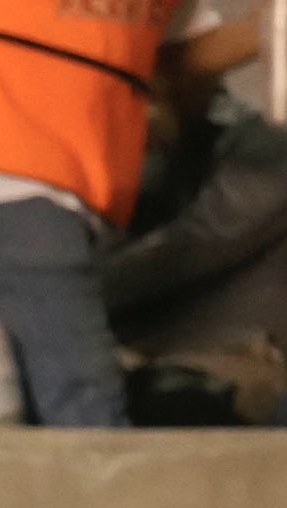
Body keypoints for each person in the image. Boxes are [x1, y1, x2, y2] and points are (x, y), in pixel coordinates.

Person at [0, 0, 259, 426]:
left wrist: (272, 29)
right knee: (85, 408)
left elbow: (175, 54)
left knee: (36, 406)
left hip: (85, 186)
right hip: (12, 169)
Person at [105, 85, 287, 425]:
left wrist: (67, 291)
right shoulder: (183, 147)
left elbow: (202, 240)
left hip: (244, 366)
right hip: (172, 363)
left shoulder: (269, 138)